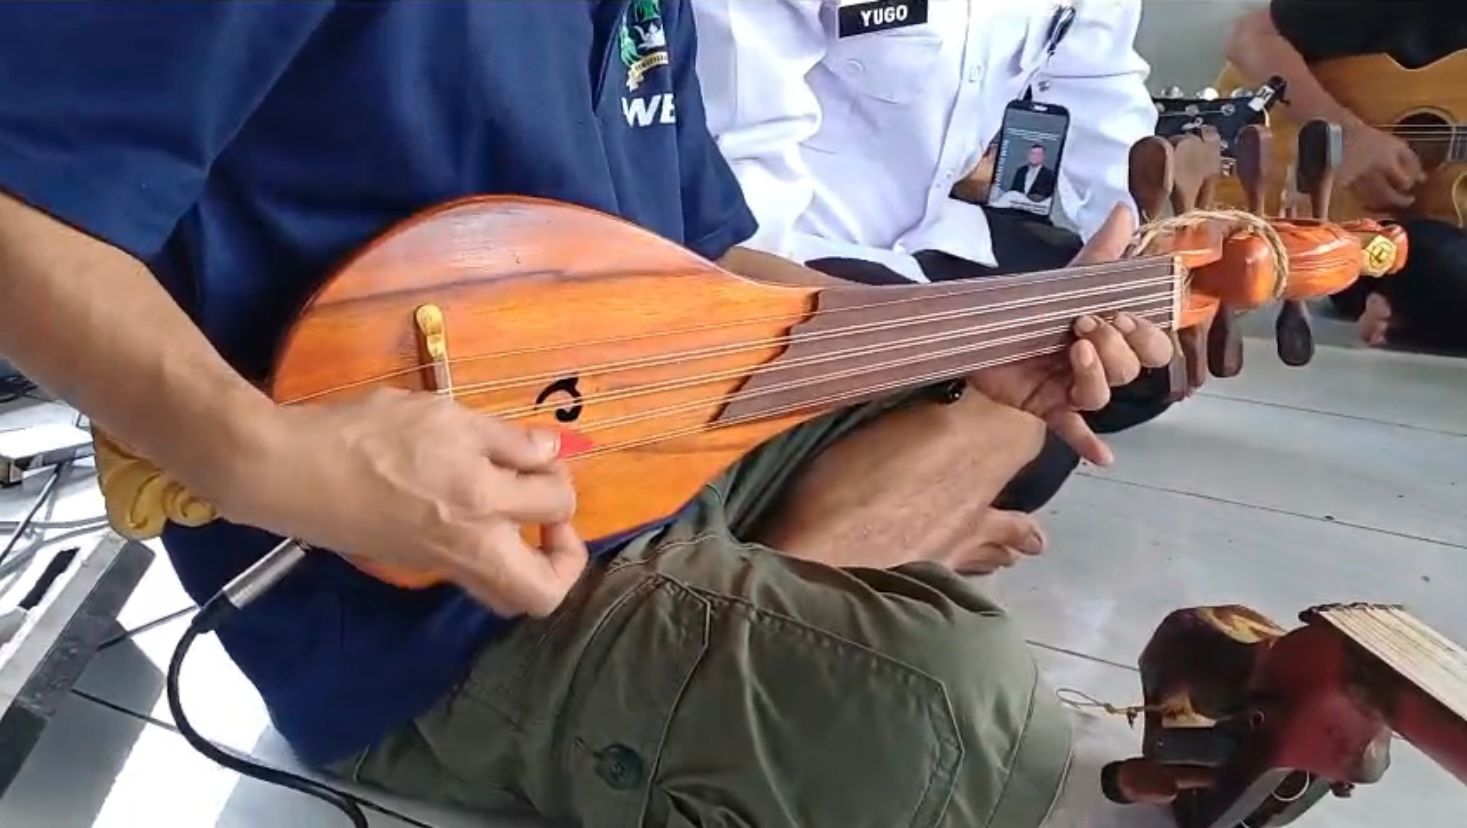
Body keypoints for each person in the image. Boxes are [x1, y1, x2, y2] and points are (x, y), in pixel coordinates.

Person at [0, 2, 1170, 825]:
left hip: (638, 426)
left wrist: (968, 338)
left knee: (993, 420)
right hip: (409, 592)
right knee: (952, 716)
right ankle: (772, 602)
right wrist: (266, 458)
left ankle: (741, 610)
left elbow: (706, 267)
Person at [692, 0, 1175, 564]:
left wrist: (1134, 251)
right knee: (1033, 422)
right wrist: (869, 334)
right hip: (801, 254)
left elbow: (1097, 87)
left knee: (1121, 371)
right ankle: (911, 526)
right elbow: (740, 173)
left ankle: (919, 504)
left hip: (937, 237)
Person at [1227, 2, 1467, 352]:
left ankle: (1411, 313)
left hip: (1434, 240)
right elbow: (1250, 37)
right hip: (1355, 233)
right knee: (1436, 257)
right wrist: (1350, 137)